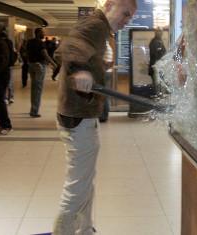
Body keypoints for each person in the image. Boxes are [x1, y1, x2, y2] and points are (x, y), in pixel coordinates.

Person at [53, 0, 136, 234]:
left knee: (85, 180)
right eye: (125, 13)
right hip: (77, 116)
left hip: (80, 114)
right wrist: (80, 69)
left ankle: (85, 229)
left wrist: (97, 66)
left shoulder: (101, 28)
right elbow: (69, 47)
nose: (127, 19)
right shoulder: (96, 25)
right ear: (109, 5)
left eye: (131, 17)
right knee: (77, 186)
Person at [26, 28, 57, 118]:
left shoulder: (29, 42)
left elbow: (26, 52)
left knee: (33, 87)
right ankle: (34, 111)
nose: (44, 34)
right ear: (38, 33)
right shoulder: (40, 43)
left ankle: (32, 109)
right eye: (42, 32)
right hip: (39, 66)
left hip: (31, 65)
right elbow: (45, 54)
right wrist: (54, 64)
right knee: (38, 89)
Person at [99, 40, 114, 123]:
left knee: (102, 95)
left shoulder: (103, 46)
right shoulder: (108, 47)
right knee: (105, 94)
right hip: (108, 72)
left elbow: (100, 59)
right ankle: (104, 115)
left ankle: (103, 116)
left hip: (104, 72)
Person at [149, 29, 166, 95]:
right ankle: (157, 98)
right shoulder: (156, 42)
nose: (161, 34)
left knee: (158, 84)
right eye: (159, 33)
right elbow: (157, 54)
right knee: (157, 85)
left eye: (161, 33)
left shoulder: (157, 41)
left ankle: (157, 95)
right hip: (157, 66)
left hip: (157, 66)